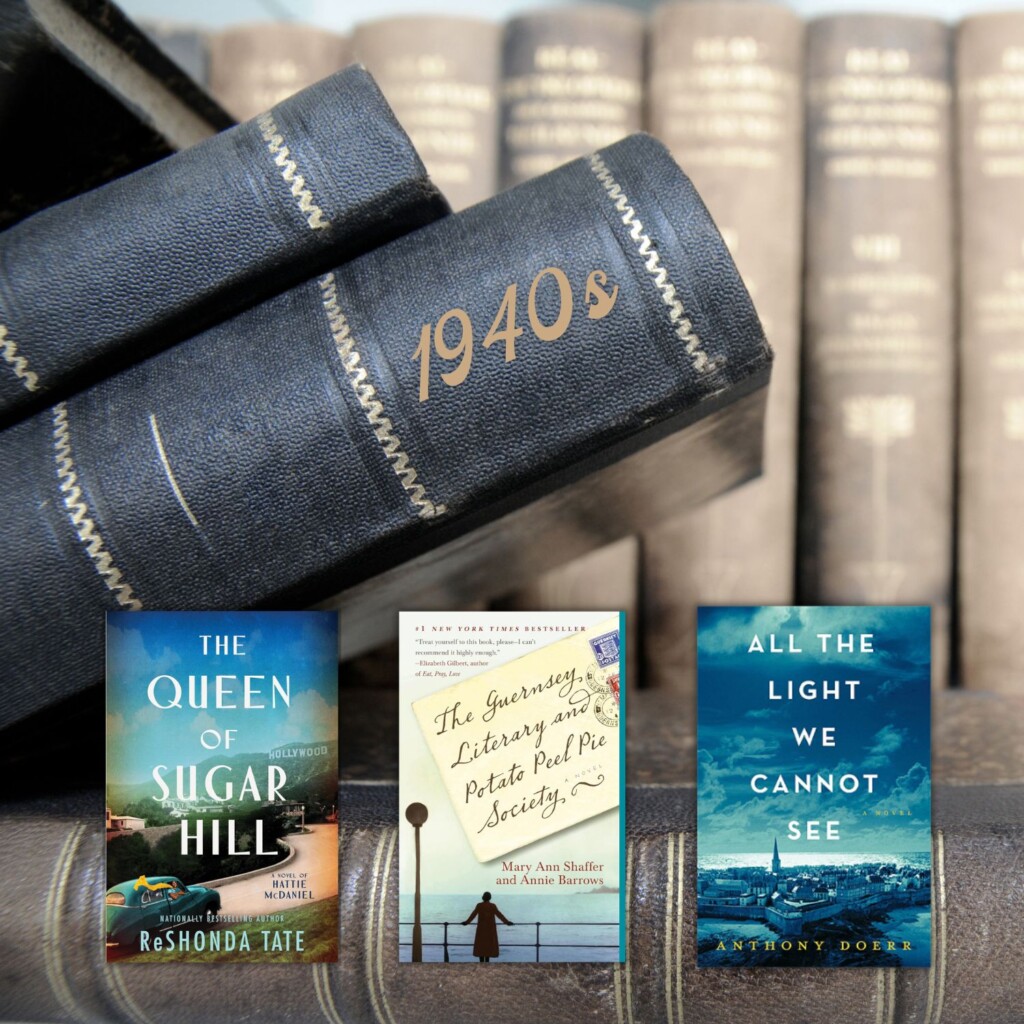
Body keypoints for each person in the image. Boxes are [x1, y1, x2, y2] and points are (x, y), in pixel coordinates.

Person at [462, 891, 513, 962]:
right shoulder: (493, 906)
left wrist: (466, 922)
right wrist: (507, 922)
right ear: (490, 898)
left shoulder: (479, 905)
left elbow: (473, 915)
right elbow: (499, 915)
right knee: (488, 946)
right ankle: (487, 962)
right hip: (490, 929)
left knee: (481, 945)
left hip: (481, 929)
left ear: (483, 897)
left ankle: (481, 963)